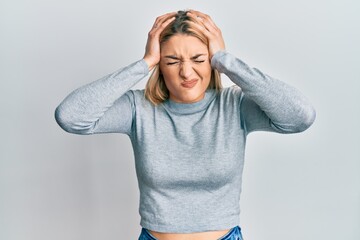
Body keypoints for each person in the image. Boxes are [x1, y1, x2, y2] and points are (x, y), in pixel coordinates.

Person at [54, 9, 316, 240]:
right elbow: (71, 117)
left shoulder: (234, 106)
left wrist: (227, 61)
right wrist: (143, 63)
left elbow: (300, 116)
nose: (186, 73)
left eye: (199, 59)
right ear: (160, 65)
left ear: (212, 60)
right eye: (172, 61)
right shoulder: (139, 108)